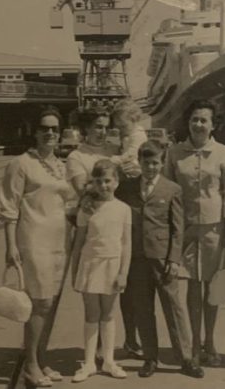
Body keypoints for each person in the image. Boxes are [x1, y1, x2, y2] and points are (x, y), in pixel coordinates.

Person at [115, 141, 205, 379]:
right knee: (143, 309)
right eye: (146, 163)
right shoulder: (126, 188)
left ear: (162, 163)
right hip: (137, 259)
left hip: (163, 259)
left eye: (155, 163)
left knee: (174, 307)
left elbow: (178, 228)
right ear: (139, 162)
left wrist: (174, 260)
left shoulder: (172, 189)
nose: (150, 168)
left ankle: (186, 358)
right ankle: (150, 358)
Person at [0, 107, 73, 387]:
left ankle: (41, 359)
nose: (50, 133)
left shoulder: (61, 165)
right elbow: (9, 207)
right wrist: (11, 246)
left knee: (51, 303)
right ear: (35, 131)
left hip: (60, 241)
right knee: (40, 303)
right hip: (33, 241)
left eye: (55, 129)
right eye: (44, 128)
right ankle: (30, 366)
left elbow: (68, 202)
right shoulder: (21, 164)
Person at [163, 99, 225, 366]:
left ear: (212, 124)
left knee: (213, 287)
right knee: (193, 286)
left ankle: (210, 342)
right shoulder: (174, 153)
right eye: (194, 119)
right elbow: (168, 190)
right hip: (185, 228)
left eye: (203, 120)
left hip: (214, 229)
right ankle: (194, 343)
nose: (198, 124)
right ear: (188, 122)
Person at [70, 159, 132, 382]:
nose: (103, 185)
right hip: (90, 264)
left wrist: (123, 272)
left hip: (112, 265)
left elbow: (126, 244)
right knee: (91, 314)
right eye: (98, 181)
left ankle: (108, 360)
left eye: (107, 180)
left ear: (116, 182)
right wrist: (74, 272)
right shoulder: (87, 208)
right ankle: (88, 363)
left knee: (108, 313)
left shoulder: (124, 209)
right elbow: (78, 243)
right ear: (93, 183)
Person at [109, 99, 147, 357]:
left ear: (132, 119)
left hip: (134, 204)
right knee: (126, 280)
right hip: (125, 200)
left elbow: (129, 162)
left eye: (121, 123)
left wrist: (111, 159)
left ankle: (136, 338)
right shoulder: (126, 137)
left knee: (135, 280)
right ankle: (131, 338)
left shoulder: (138, 137)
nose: (118, 128)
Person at [66, 109, 116, 196]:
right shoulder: (76, 156)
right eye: (99, 127)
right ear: (87, 127)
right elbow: (81, 190)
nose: (104, 132)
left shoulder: (115, 149)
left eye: (107, 128)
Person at [110, 99, 148, 179]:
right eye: (118, 127)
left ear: (134, 120)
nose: (120, 130)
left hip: (135, 169)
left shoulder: (139, 135)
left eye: (123, 126)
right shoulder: (127, 134)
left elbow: (130, 155)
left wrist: (112, 159)